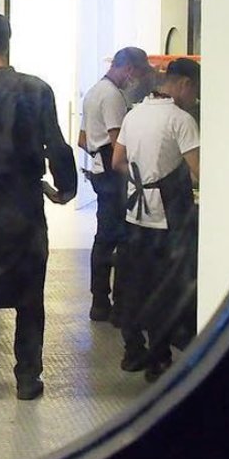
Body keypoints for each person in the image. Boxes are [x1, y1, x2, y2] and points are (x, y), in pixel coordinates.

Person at [0, 12, 76, 401]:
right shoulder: (38, 90)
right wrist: (66, 188)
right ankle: (27, 378)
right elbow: (57, 144)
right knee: (29, 294)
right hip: (25, 204)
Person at [110, 57, 201, 383]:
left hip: (135, 213)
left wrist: (142, 180)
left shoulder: (134, 114)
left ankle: (133, 350)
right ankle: (159, 358)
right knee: (165, 288)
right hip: (166, 217)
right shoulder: (181, 120)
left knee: (135, 283)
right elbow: (199, 171)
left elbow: (117, 161)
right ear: (185, 84)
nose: (195, 99)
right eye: (195, 91)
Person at [77, 47, 154, 321]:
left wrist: (98, 158)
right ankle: (117, 305)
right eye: (138, 73)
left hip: (100, 172)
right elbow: (118, 141)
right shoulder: (112, 95)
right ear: (129, 69)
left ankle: (99, 300)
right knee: (122, 239)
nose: (136, 80)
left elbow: (82, 140)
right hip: (114, 175)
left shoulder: (94, 91)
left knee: (104, 238)